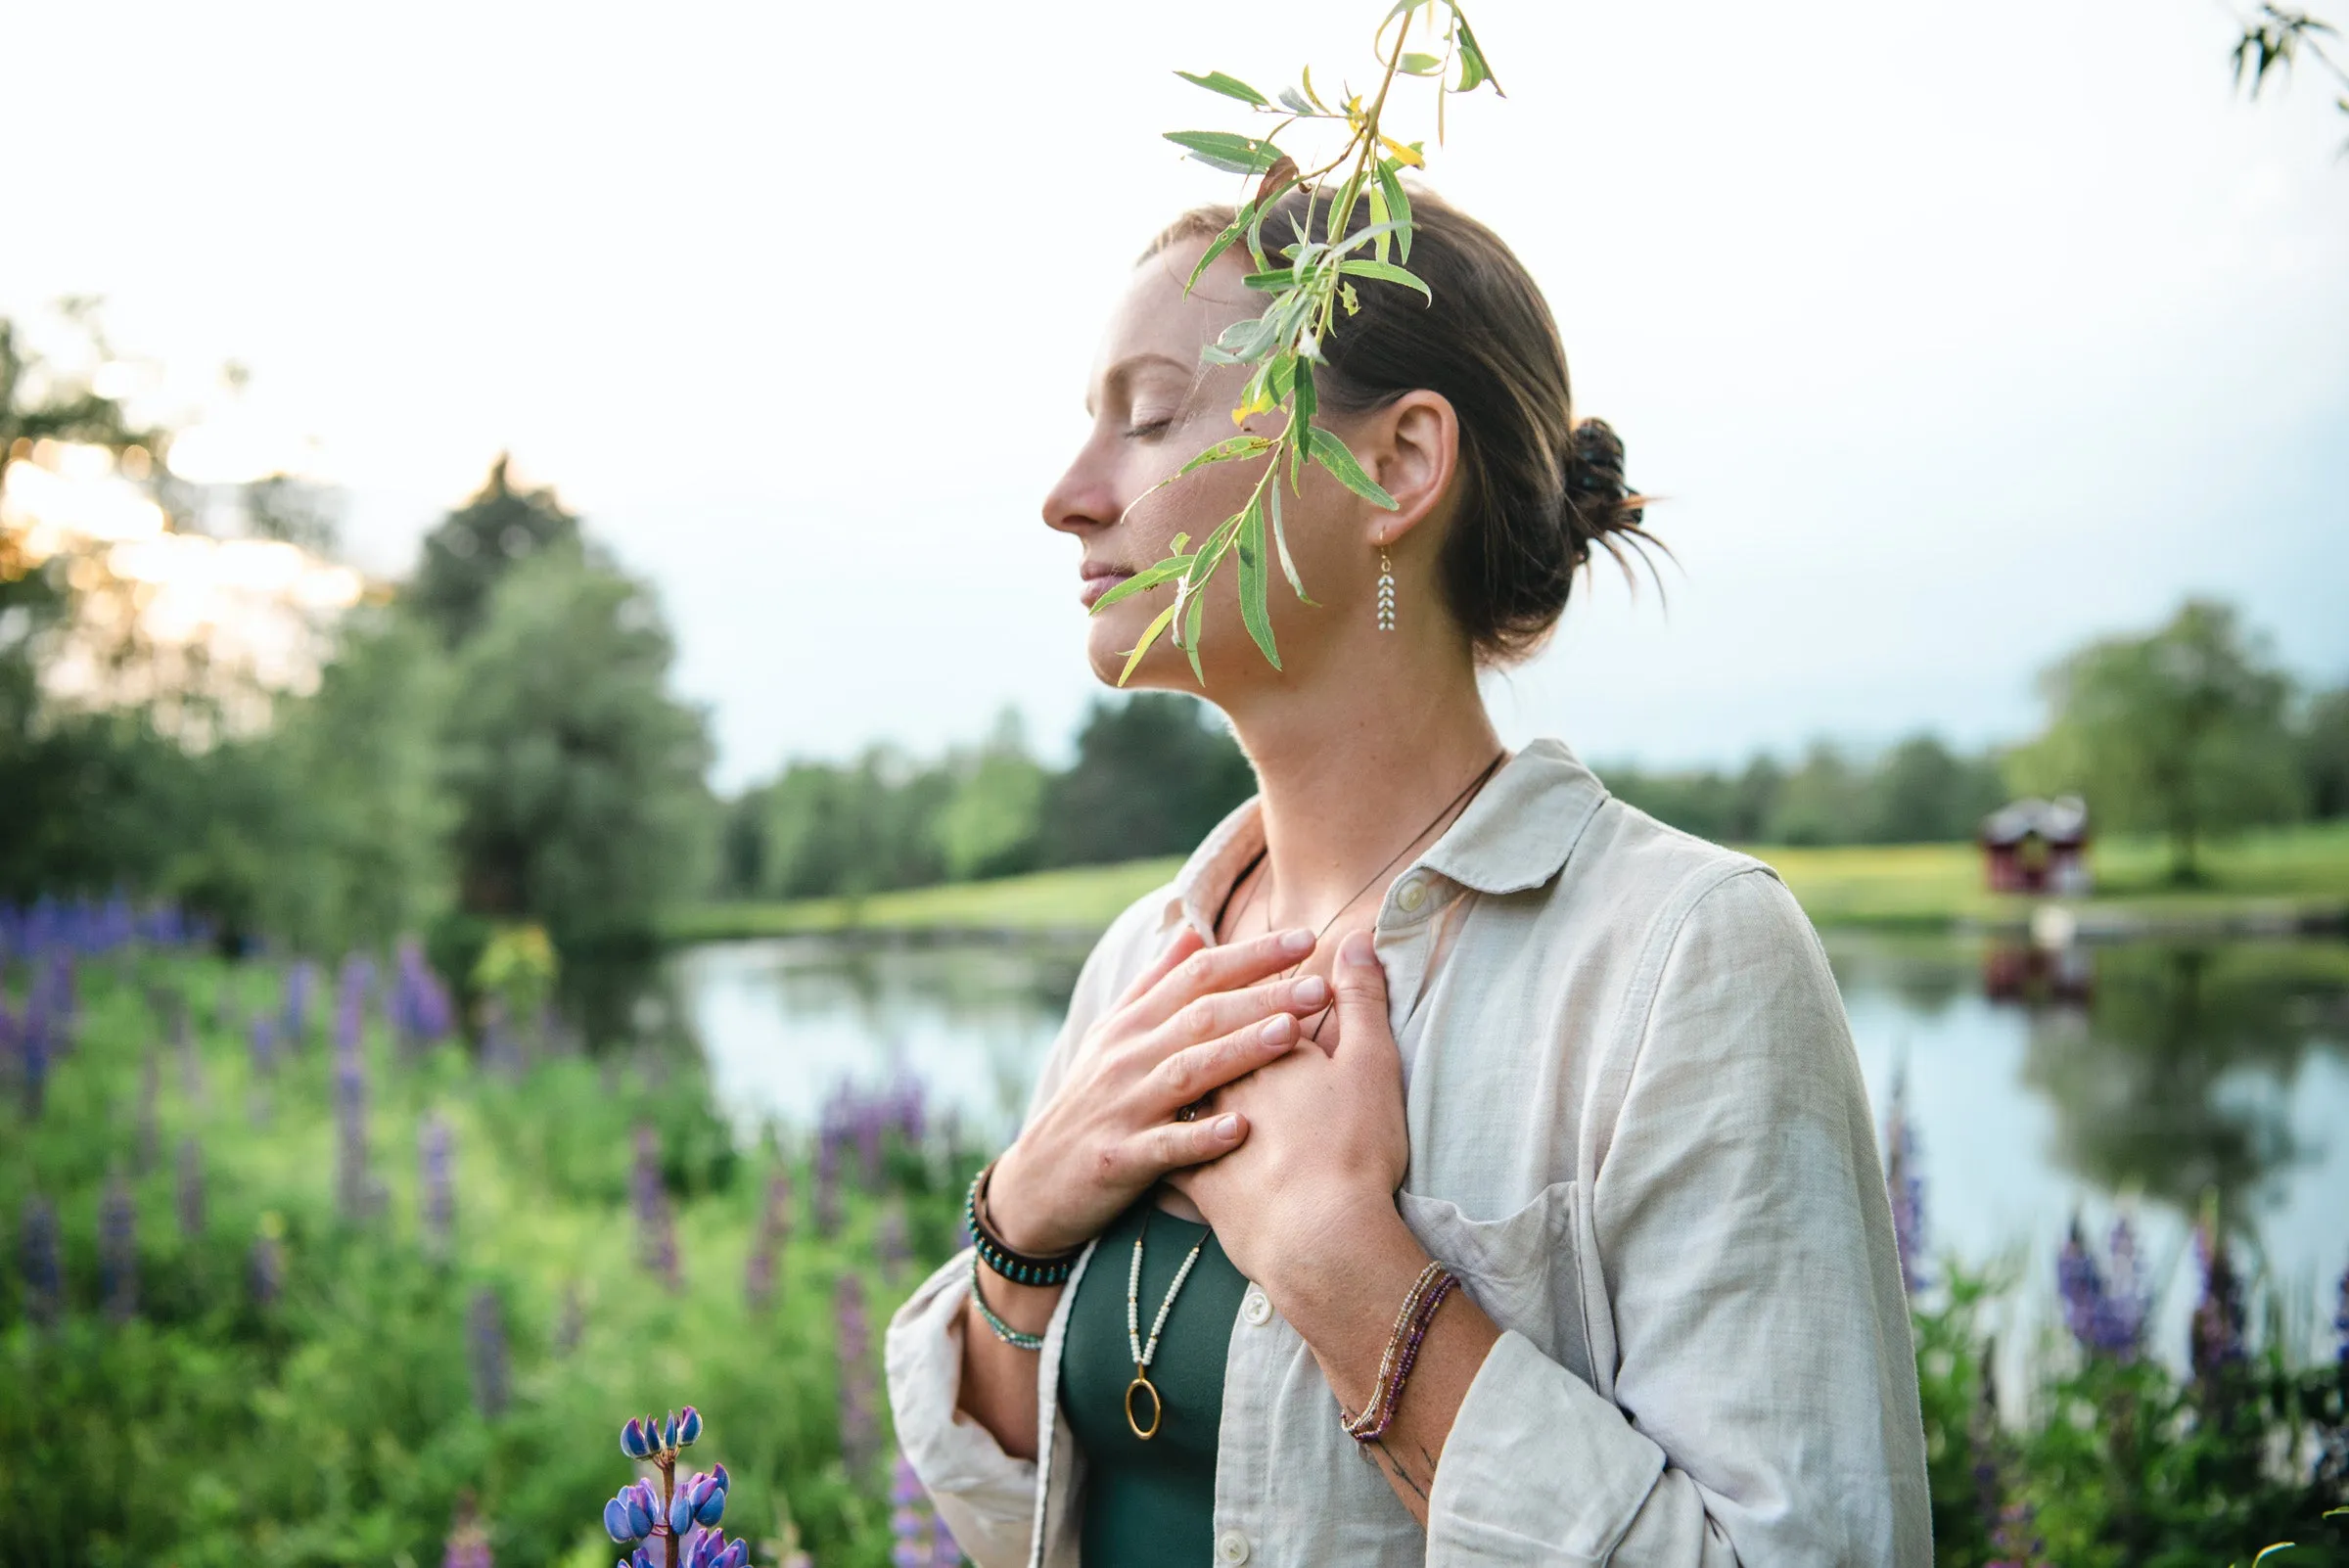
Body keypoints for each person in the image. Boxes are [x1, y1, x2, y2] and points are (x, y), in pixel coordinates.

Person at [885, 189, 1930, 1567]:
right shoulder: (1146, 959)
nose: (1069, 492)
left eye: (1148, 417)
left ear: (1395, 468)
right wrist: (1017, 1226)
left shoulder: (1682, 958)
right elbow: (1023, 1515)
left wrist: (1341, 1264)